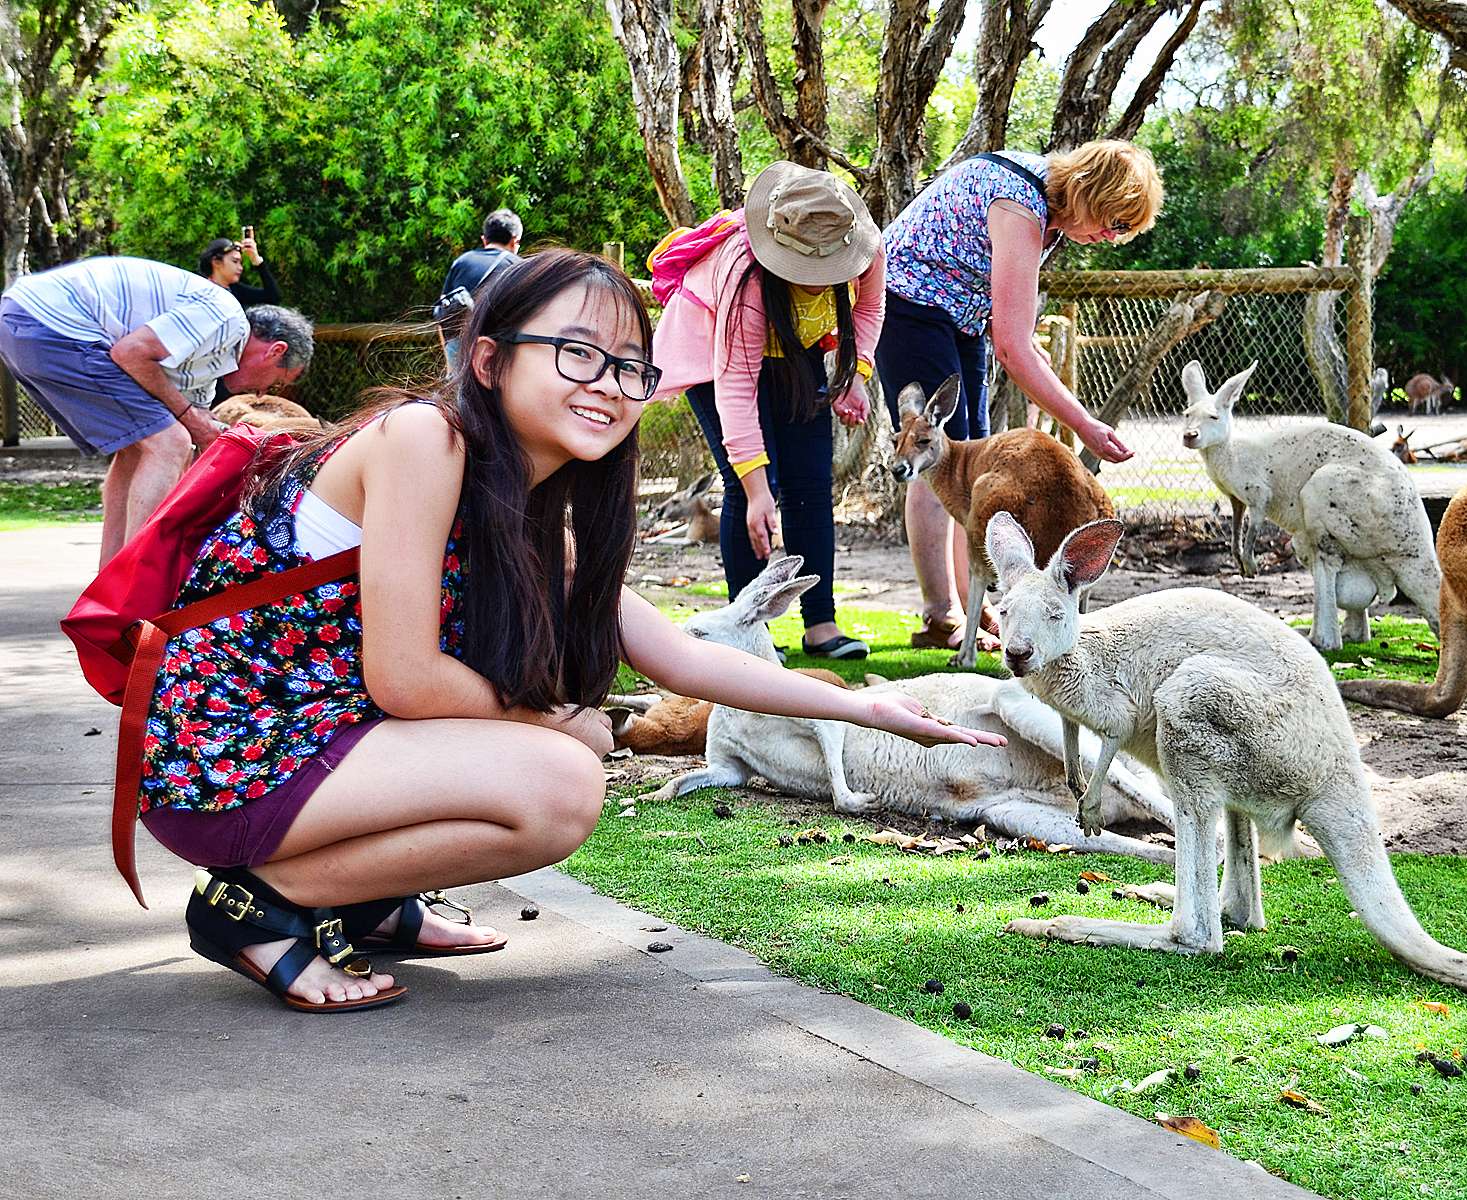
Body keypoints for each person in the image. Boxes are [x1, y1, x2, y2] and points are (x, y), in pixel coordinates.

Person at [140, 247, 1003, 1012]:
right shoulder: (423, 439)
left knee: (567, 763)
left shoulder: (530, 497)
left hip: (326, 748)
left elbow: (676, 655)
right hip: (229, 759)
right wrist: (554, 720)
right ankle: (255, 903)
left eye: (630, 367)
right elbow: (403, 678)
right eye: (577, 354)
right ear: (488, 359)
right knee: (561, 777)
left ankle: (363, 901)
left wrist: (866, 708)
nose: (609, 384)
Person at [876, 140, 1162, 651]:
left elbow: (1011, 327)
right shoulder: (1020, 206)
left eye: (1123, 229)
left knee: (974, 461)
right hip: (908, 304)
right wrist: (1084, 425)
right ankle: (943, 614)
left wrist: (1026, 348)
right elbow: (1011, 347)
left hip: (959, 315)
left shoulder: (1051, 216)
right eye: (1113, 221)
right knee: (941, 459)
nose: (1110, 236)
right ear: (1087, 192)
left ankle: (976, 606)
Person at [653, 162, 883, 659]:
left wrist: (854, 376)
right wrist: (760, 492)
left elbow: (868, 309)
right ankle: (747, 628)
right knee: (752, 487)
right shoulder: (748, 276)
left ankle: (821, 624)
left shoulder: (861, 244)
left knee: (809, 485)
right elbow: (736, 388)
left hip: (792, 351)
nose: (823, 280)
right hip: (714, 352)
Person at [0, 255, 314, 566]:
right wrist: (191, 419)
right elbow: (130, 353)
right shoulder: (225, 318)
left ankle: (108, 581)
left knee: (142, 449)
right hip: (51, 321)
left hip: (24, 320)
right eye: (274, 383)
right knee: (169, 442)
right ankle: (133, 579)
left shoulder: (206, 367)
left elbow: (199, 443)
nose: (261, 394)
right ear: (275, 351)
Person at [437, 207, 524, 367]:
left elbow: (443, 313)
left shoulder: (462, 262)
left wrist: (452, 367)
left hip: (462, 360)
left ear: (485, 240)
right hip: (500, 361)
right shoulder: (520, 268)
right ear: (514, 241)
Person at [199, 228, 282, 306]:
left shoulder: (237, 290)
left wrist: (257, 260)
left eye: (240, 263)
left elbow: (273, 297)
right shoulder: (200, 291)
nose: (240, 267)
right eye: (235, 261)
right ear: (216, 262)